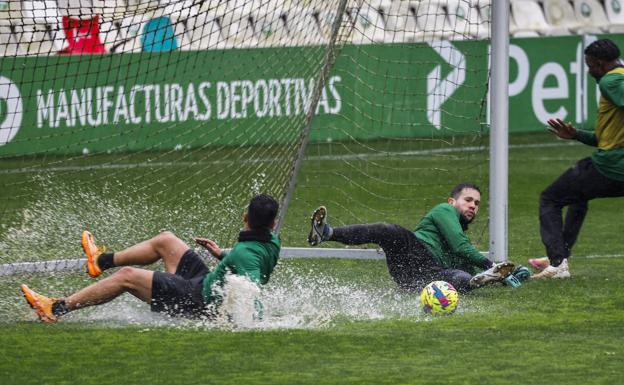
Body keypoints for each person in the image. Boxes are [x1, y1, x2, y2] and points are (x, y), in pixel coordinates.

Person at [20, 194, 281, 323]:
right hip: (204, 282)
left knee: (127, 278)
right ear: (273, 223)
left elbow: (251, 288)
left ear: (245, 218)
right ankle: (101, 261)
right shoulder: (272, 240)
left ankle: (55, 309)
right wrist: (222, 255)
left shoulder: (246, 254)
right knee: (166, 240)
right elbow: (249, 261)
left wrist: (254, 323)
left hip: (198, 301)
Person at [308, 183, 528, 293]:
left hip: (415, 278)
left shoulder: (462, 234)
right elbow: (460, 246)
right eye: (468, 200)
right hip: (414, 251)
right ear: (452, 202)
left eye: (477, 203)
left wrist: (501, 276)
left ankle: (472, 283)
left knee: (459, 276)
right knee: (388, 231)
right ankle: (327, 233)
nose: (473, 206)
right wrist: (492, 264)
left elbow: (466, 261)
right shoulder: (445, 210)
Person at [530, 39, 624, 279]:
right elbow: (606, 138)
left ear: (600, 64)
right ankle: (560, 254)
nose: (588, 70)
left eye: (590, 65)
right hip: (614, 164)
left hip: (612, 167)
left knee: (550, 199)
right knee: (577, 195)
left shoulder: (610, 80)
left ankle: (557, 263)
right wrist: (575, 135)